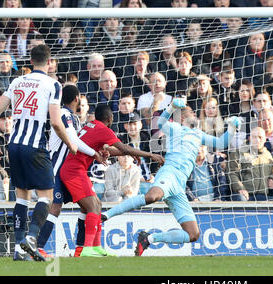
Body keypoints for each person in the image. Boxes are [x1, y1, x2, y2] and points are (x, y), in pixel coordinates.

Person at [101, 98, 240, 256]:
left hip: (179, 184)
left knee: (193, 234)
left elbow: (222, 142)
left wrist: (233, 127)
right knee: (152, 196)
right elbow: (160, 123)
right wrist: (171, 106)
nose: (194, 114)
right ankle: (106, 215)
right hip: (170, 172)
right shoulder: (175, 128)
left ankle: (149, 238)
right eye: (190, 112)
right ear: (182, 117)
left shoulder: (199, 135)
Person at [0, 44, 78, 262]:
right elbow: (56, 123)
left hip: (14, 145)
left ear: (30, 60)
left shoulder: (17, 81)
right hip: (35, 146)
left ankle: (19, 250)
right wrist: (71, 144)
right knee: (46, 196)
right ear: (49, 62)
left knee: (22, 196)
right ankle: (31, 237)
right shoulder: (53, 84)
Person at [60, 104, 164, 257]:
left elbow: (109, 151)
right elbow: (125, 149)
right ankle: (87, 249)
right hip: (73, 172)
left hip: (74, 170)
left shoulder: (91, 126)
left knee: (97, 205)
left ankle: (96, 247)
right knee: (94, 207)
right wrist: (150, 155)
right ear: (110, 119)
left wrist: (127, 152)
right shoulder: (103, 129)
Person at [35, 84, 108, 259]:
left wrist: (102, 148)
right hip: (56, 168)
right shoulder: (63, 114)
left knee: (87, 205)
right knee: (55, 207)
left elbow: (82, 141)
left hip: (69, 171)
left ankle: (81, 249)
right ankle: (38, 246)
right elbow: (74, 140)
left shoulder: (74, 118)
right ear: (77, 99)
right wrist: (95, 153)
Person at [226, 126, 273, 201]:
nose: (257, 140)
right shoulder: (239, 152)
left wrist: (272, 178)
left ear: (265, 139)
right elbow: (232, 173)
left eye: (260, 137)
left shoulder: (268, 155)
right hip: (245, 194)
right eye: (254, 137)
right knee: (241, 199)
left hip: (263, 195)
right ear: (249, 138)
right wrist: (240, 188)